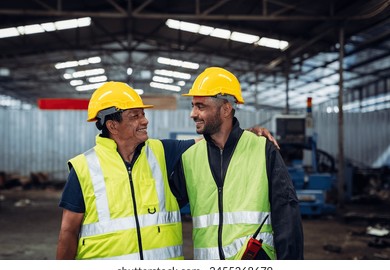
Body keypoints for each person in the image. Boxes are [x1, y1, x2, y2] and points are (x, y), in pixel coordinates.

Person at [56, 81, 278, 260]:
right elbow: (68, 232)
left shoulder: (162, 151)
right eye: (135, 116)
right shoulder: (84, 167)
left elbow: (214, 138)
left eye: (143, 114)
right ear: (112, 125)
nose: (145, 120)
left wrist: (249, 133)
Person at [170, 67, 304, 260]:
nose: (193, 113)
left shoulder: (262, 150)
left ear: (225, 109)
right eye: (193, 105)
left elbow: (287, 216)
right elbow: (164, 210)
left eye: (201, 106)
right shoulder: (189, 158)